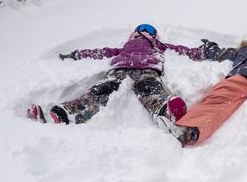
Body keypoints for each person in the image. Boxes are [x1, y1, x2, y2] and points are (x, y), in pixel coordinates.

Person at [27, 24, 207, 132]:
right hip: (146, 68)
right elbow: (182, 50)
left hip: (125, 70)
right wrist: (77, 54)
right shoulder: (154, 45)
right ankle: (163, 108)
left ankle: (63, 114)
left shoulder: (137, 46)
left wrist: (76, 54)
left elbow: (101, 52)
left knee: (102, 91)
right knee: (146, 89)